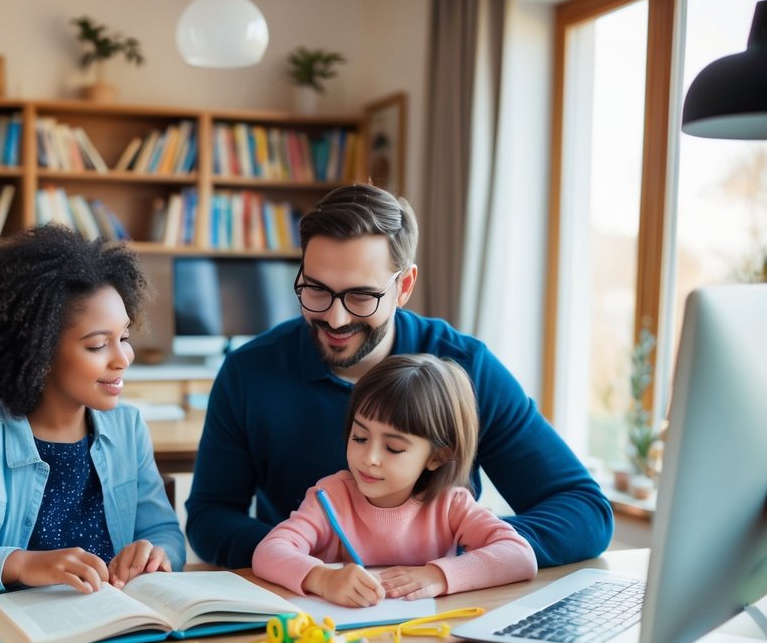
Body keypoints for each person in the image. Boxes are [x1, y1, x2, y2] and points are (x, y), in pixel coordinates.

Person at [187, 183, 612, 569]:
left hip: (443, 609)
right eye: (316, 289)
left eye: (361, 296)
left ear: (404, 286)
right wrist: (313, 566)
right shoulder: (249, 372)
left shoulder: (466, 366)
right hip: (303, 609)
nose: (335, 318)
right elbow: (210, 517)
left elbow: (584, 510)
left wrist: (453, 558)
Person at [0, 225, 185, 597]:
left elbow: (165, 534)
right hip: (19, 636)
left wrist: (155, 555)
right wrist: (22, 563)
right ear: (39, 353)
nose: (123, 358)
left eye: (124, 338)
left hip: (114, 624)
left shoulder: (128, 427)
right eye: (98, 345)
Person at [253, 354, 537, 606]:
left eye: (394, 448)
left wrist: (439, 575)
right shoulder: (331, 497)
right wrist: (323, 579)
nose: (370, 458)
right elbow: (268, 552)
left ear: (437, 457)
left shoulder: (450, 504)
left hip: (427, 636)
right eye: (360, 438)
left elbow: (520, 557)